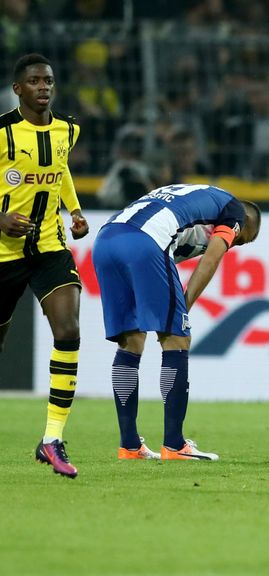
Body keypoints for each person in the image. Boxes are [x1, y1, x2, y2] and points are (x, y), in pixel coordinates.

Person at [92, 184, 261, 461]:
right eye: (241, 239)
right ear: (246, 222)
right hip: (145, 241)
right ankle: (174, 444)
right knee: (176, 339)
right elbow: (211, 259)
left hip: (106, 239)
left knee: (131, 341)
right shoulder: (234, 211)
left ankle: (130, 446)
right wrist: (184, 306)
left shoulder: (191, 196)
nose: (236, 242)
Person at [0, 53, 89, 479]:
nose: (43, 87)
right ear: (18, 88)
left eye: (48, 81)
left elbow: (61, 168)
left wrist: (73, 210)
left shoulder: (67, 129)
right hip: (3, 253)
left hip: (50, 248)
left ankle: (51, 439)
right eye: (34, 81)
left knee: (68, 330)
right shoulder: (1, 133)